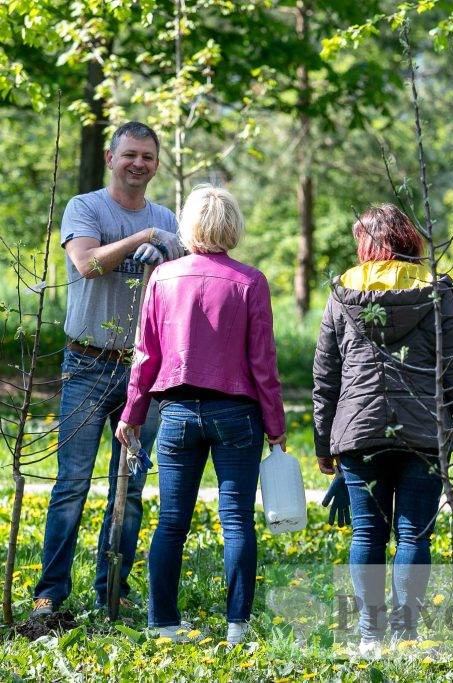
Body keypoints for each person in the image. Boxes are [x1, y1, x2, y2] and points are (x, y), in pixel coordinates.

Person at [116, 185, 286, 644]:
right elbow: (262, 363)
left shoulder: (163, 279)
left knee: (172, 521)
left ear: (188, 225)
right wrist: (276, 428)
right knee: (236, 521)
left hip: (176, 413)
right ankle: (237, 625)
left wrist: (132, 413)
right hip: (237, 413)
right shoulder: (250, 281)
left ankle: (163, 623)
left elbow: (145, 355)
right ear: (233, 225)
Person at [312, 204, 453, 655]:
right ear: (409, 240)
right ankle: (405, 633)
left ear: (367, 245)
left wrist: (323, 444)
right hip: (424, 433)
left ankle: (369, 635)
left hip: (358, 430)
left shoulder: (342, 292)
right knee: (413, 535)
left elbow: (325, 376)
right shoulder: (435, 292)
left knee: (367, 534)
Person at [32, 122, 186, 618]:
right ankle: (51, 593)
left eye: (147, 156)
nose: (138, 164)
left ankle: (112, 591)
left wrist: (170, 252)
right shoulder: (86, 207)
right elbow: (86, 264)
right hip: (87, 362)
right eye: (130, 155)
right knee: (73, 483)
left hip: (143, 372)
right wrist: (142, 238)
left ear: (157, 164)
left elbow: (187, 280)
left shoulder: (169, 219)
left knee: (131, 485)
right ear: (109, 156)